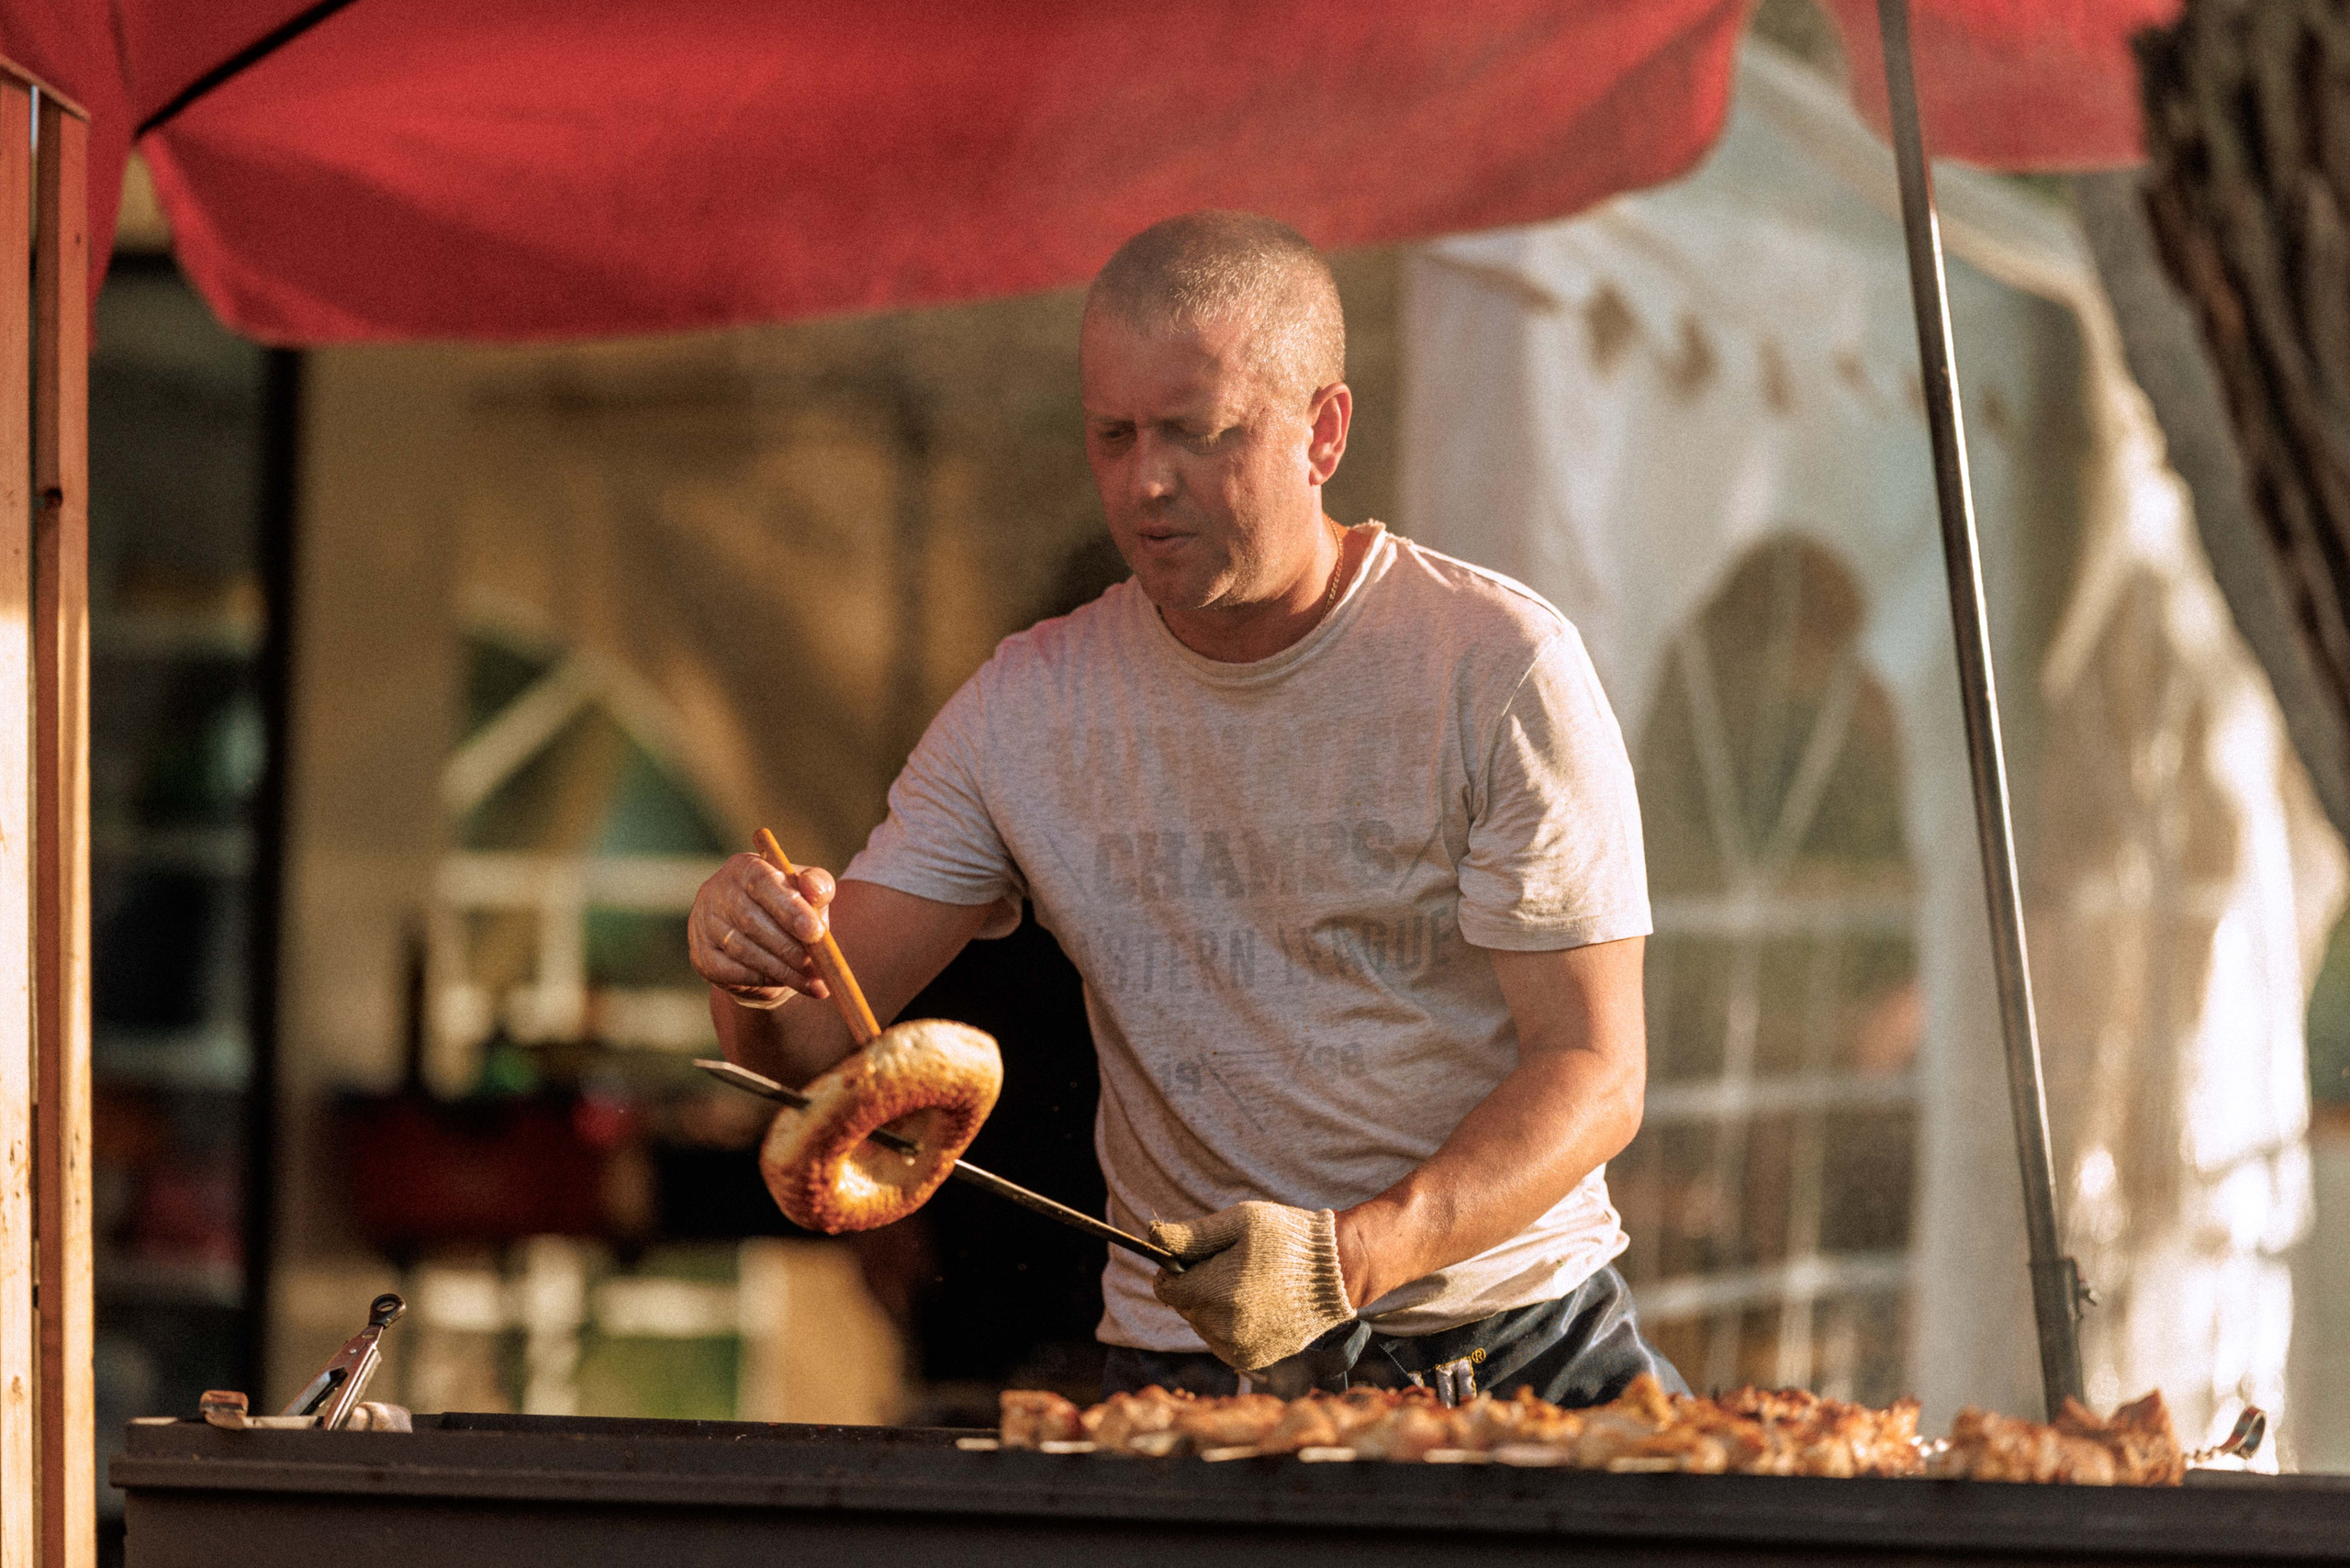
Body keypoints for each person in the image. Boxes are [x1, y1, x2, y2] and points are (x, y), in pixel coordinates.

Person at [689, 211, 1684, 1405]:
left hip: (1512, 1344)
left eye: (1198, 434)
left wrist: (1348, 1260)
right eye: (1112, 435)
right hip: (1192, 1365)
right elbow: (808, 1047)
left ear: (1323, 430)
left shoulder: (1496, 664)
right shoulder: (1029, 708)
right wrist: (750, 961)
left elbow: (1595, 1071)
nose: (1146, 480)